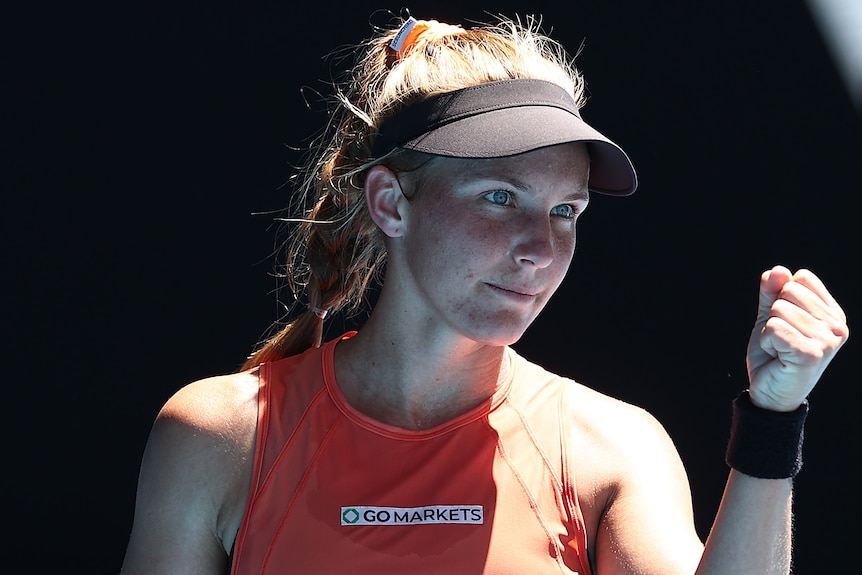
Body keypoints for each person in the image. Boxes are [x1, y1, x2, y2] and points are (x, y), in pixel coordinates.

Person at [120, 13, 849, 575]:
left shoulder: (611, 448)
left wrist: (773, 415)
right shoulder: (216, 437)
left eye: (566, 211)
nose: (540, 247)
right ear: (391, 202)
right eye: (501, 197)